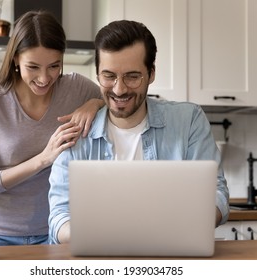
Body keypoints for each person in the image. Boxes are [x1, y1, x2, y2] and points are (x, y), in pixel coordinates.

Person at [48, 20, 230, 244]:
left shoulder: (188, 120)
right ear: (97, 74)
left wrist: (184, 227)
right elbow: (59, 216)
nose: (119, 88)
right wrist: (97, 237)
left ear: (151, 73)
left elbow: (216, 193)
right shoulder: (76, 135)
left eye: (132, 76)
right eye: (109, 76)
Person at [0, 10, 104, 247]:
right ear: (16, 59)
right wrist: (43, 159)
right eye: (33, 67)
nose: (44, 78)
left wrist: (95, 103)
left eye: (54, 66)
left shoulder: (76, 88)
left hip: (55, 232)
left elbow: (117, 100)